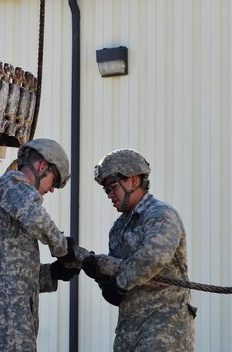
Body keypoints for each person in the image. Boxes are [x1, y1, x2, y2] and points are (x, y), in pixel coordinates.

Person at [83, 149, 197, 351]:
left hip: (163, 327)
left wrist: (119, 284)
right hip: (129, 328)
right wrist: (97, 271)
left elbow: (152, 258)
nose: (109, 195)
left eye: (113, 188)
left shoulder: (160, 215)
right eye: (106, 190)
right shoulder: (119, 227)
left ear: (134, 181)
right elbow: (118, 270)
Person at [0, 138, 79, 352]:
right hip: (6, 310)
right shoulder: (14, 182)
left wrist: (53, 273)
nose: (53, 189)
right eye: (55, 180)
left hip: (4, 306)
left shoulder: (14, 199)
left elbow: (15, 270)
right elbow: (36, 217)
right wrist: (63, 248)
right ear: (42, 167)